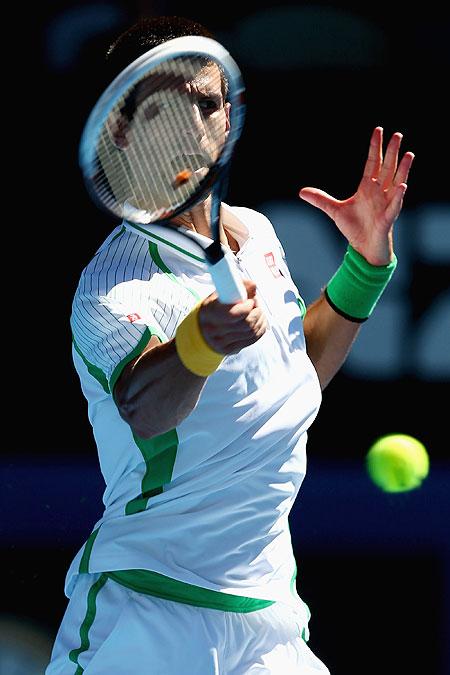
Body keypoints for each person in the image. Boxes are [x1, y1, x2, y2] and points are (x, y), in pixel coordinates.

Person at [46, 15, 414, 675]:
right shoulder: (113, 289)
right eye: (168, 103)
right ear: (121, 131)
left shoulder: (256, 233)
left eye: (209, 101)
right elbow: (144, 406)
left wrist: (363, 266)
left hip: (269, 622)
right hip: (148, 616)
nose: (194, 118)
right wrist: (198, 341)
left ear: (229, 120)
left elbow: (290, 374)